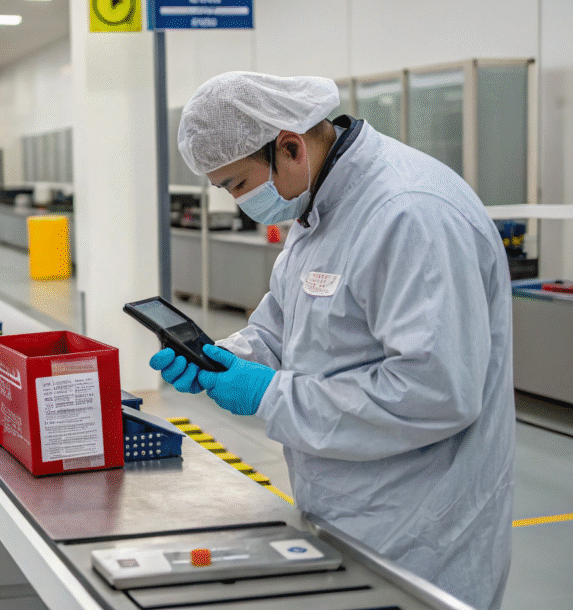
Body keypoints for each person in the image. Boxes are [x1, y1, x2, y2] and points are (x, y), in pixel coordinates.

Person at [151, 72, 514, 610]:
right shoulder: (319, 203)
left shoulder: (408, 213)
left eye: (237, 185)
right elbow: (284, 324)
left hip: (418, 529)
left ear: (290, 147)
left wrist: (269, 394)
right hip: (348, 510)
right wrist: (228, 358)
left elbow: (436, 391)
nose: (238, 201)